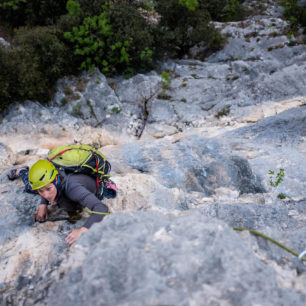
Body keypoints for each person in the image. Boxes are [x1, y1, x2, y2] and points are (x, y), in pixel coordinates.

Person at [8, 159, 115, 246]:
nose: (45, 195)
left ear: (56, 180)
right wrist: (43, 204)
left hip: (84, 187)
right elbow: (45, 188)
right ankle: (22, 170)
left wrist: (83, 230)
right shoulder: (53, 180)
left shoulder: (73, 189)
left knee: (70, 206)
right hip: (65, 185)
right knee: (29, 187)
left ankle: (23, 172)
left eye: (48, 189)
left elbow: (102, 208)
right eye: (41, 191)